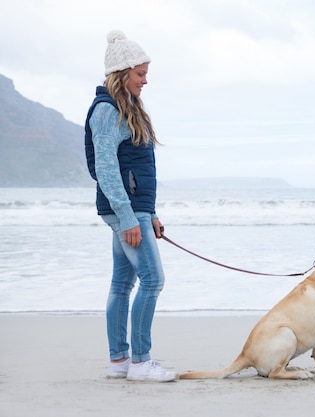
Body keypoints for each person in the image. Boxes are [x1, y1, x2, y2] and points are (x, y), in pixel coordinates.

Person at [84, 30, 177, 382]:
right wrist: (128, 217)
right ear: (122, 73)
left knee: (122, 284)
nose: (145, 80)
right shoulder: (107, 111)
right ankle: (140, 362)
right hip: (124, 210)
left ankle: (119, 361)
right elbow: (106, 170)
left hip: (133, 209)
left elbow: (135, 169)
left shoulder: (127, 108)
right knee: (152, 280)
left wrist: (149, 214)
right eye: (140, 74)